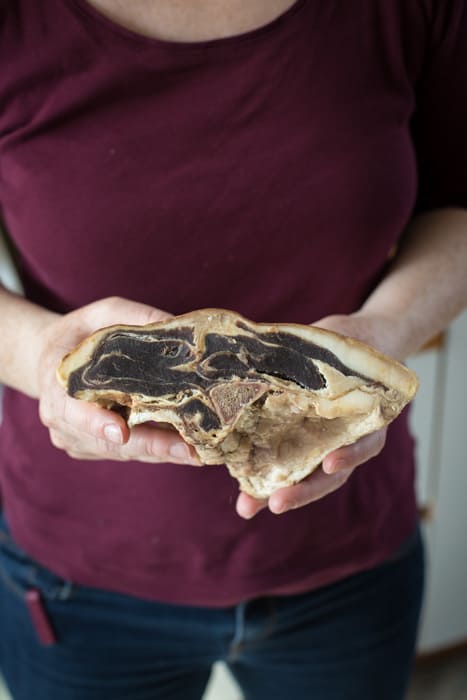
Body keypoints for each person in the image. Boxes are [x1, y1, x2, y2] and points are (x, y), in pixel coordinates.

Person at [0, 1, 466, 698]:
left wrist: (378, 341)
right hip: (78, 578)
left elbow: (457, 202)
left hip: (348, 552)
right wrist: (41, 355)